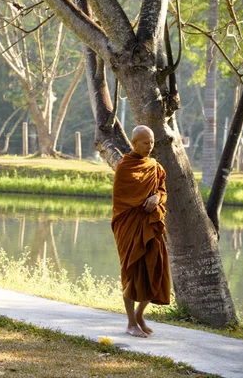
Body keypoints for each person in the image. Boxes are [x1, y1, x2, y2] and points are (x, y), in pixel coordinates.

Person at [111, 125, 171, 338]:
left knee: (156, 268)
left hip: (151, 226)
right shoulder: (124, 167)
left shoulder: (155, 167)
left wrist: (157, 198)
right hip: (129, 226)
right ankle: (130, 323)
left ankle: (139, 314)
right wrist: (143, 201)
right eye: (145, 142)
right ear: (134, 143)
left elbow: (162, 191)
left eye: (152, 142)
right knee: (131, 271)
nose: (150, 146)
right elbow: (121, 199)